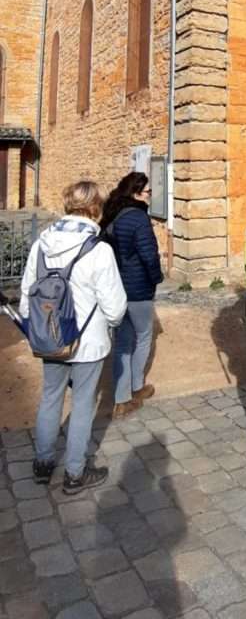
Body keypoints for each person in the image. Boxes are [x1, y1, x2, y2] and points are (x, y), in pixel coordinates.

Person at [21, 181, 127, 494]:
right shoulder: (99, 249)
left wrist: (38, 327)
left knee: (50, 397)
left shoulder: (41, 244)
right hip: (88, 342)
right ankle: (75, 473)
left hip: (50, 338)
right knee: (82, 404)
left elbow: (27, 297)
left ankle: (43, 464)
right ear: (95, 208)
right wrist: (111, 324)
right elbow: (115, 307)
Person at [101, 171, 164, 419]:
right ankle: (136, 387)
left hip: (117, 288)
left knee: (122, 344)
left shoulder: (113, 214)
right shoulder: (138, 218)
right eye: (147, 191)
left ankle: (121, 399)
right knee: (144, 337)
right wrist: (156, 277)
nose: (149, 195)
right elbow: (149, 254)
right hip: (138, 288)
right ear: (137, 193)